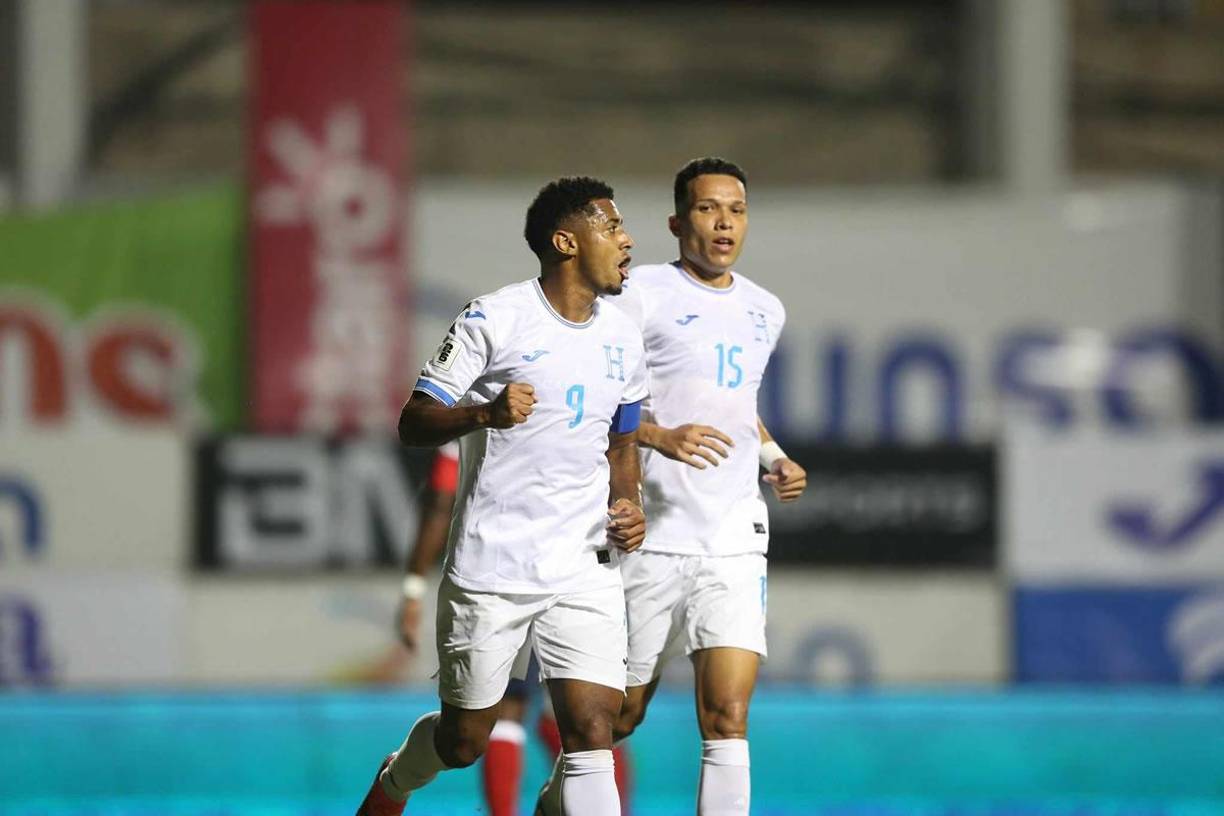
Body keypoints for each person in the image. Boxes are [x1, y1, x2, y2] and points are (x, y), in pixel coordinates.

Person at [357, 175, 647, 816]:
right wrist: (483, 414)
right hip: (495, 566)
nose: (627, 240)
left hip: (584, 563)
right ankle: (396, 779)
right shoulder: (495, 317)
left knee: (594, 730)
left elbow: (623, 444)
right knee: (463, 742)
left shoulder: (625, 337)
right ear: (566, 241)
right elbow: (413, 420)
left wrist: (630, 504)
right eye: (612, 226)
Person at [535, 158, 808, 816]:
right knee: (620, 715)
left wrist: (771, 454)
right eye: (709, 209)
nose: (724, 222)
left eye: (736, 210)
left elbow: (733, 402)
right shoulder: (639, 292)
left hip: (733, 536)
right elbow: (599, 392)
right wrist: (659, 438)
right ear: (677, 222)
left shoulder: (765, 309)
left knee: (726, 715)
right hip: (650, 535)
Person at [396, 443, 634, 816]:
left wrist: (412, 587)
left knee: (586, 716)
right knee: (525, 720)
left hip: (580, 576)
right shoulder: (483, 406)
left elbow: (626, 454)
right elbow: (440, 499)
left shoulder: (592, 399)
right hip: (503, 578)